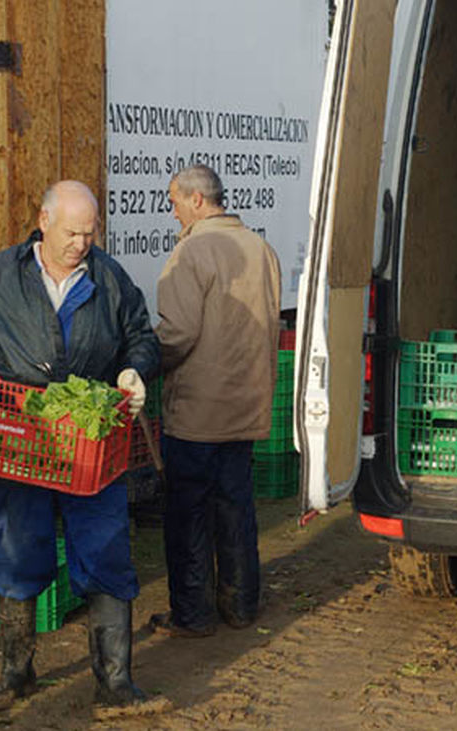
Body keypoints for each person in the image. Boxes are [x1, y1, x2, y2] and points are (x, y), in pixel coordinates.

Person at [0, 181, 165, 719]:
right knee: (17, 549)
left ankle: (116, 683)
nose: (82, 242)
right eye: (72, 232)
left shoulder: (110, 279)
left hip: (90, 443)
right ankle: (16, 674)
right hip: (18, 441)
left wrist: (135, 369)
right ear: (44, 221)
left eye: (90, 232)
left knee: (105, 551)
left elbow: (141, 337)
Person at [148, 165, 281, 638]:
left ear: (197, 200)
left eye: (174, 201)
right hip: (246, 407)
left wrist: (144, 361)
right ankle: (242, 605)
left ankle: (193, 614)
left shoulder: (191, 252)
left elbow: (178, 334)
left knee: (188, 516)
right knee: (237, 508)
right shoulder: (260, 249)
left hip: (198, 414)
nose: (172, 210)